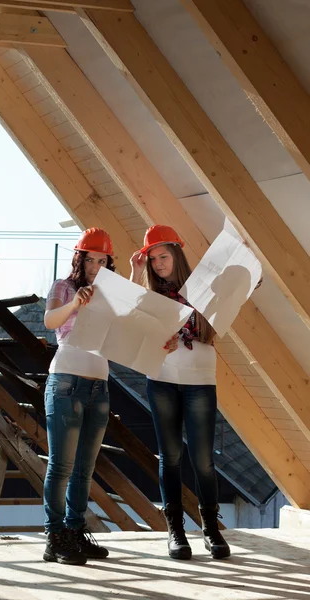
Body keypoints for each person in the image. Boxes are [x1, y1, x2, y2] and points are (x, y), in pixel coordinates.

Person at [130, 225, 231, 560]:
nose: (158, 264)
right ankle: (175, 531)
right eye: (153, 259)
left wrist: (243, 288)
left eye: (163, 256)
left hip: (201, 379)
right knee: (170, 456)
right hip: (161, 379)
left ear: (176, 253)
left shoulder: (201, 289)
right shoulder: (150, 295)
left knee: (202, 459)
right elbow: (127, 319)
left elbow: (223, 315)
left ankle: (211, 529)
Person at [43, 228, 115, 565]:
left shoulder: (111, 295)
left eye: (102, 260)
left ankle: (74, 532)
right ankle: (54, 538)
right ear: (80, 259)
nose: (96, 266)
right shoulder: (64, 286)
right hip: (66, 381)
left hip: (100, 385)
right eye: (91, 259)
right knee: (62, 466)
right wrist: (76, 302)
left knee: (85, 469)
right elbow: (49, 321)